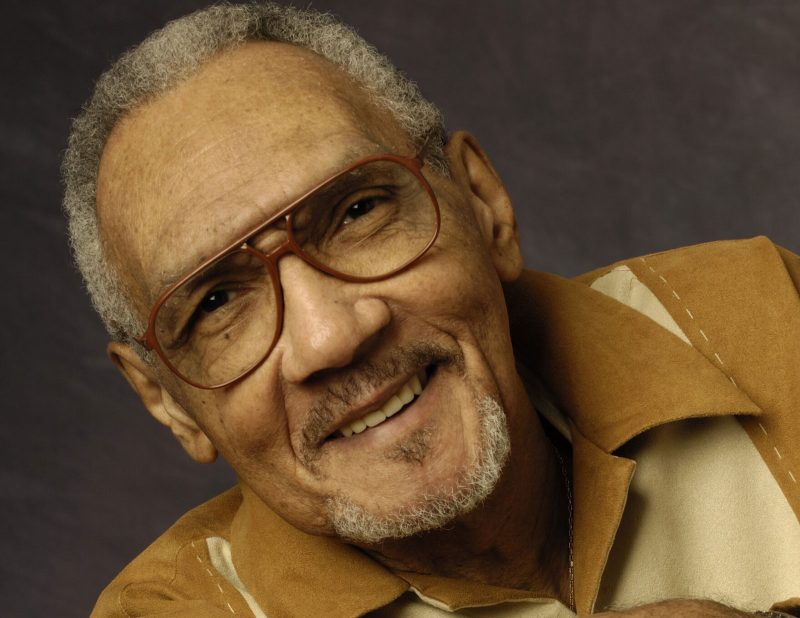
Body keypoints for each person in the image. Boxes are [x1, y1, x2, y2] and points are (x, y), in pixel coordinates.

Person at [62, 4, 800, 617]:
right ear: (166, 400)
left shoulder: (759, 311)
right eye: (218, 301)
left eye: (356, 211)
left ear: (485, 204)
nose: (331, 335)